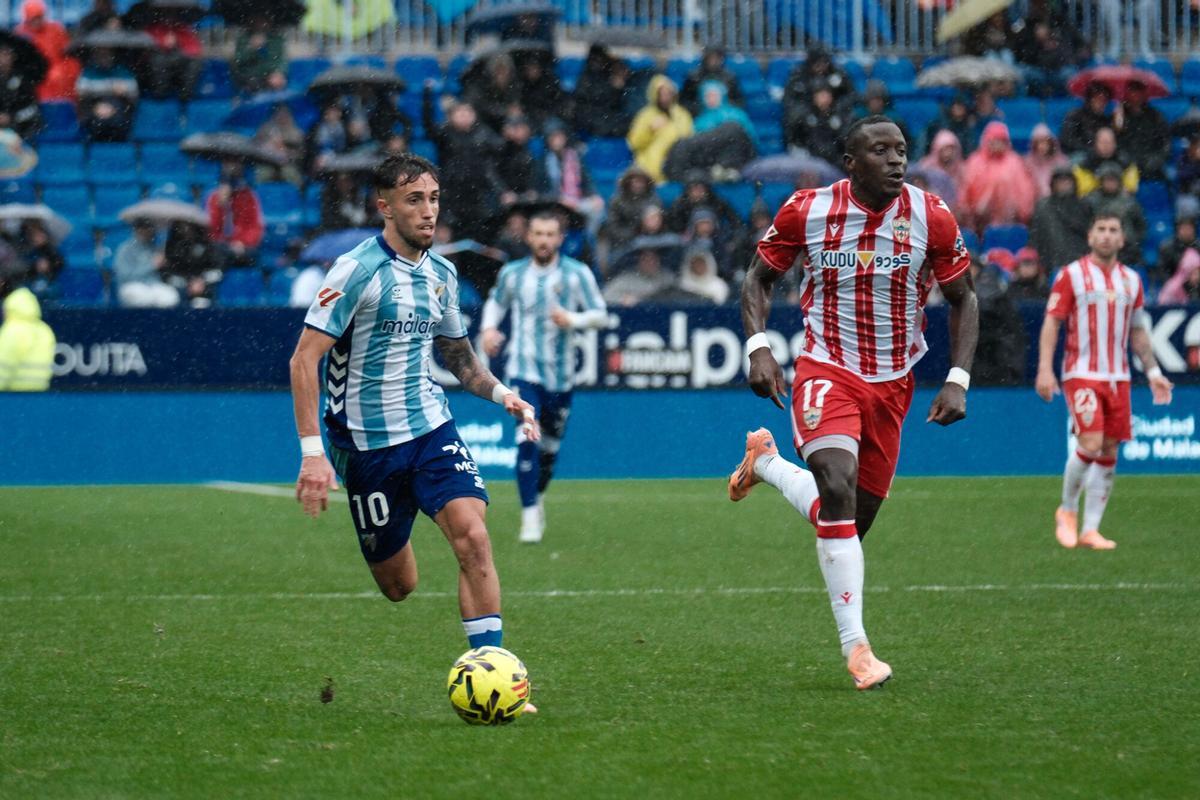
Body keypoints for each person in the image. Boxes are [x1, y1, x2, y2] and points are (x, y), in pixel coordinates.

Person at [730, 115, 979, 691]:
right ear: (851, 162)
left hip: (895, 381)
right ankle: (858, 650)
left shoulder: (930, 214)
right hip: (827, 368)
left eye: (901, 150)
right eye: (880, 150)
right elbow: (757, 279)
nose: (896, 160)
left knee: (840, 521)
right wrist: (760, 347)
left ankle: (764, 464)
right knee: (836, 484)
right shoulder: (807, 209)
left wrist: (959, 377)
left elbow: (965, 298)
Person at [289, 154, 541, 701]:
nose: (428, 212)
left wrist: (502, 395)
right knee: (399, 586)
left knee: (474, 537)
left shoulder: (443, 274)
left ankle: (491, 676)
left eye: (433, 200)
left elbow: (460, 358)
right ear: (384, 208)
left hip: (430, 427)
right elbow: (302, 359)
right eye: (413, 201)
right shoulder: (355, 271)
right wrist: (313, 453)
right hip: (366, 446)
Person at [1036, 213, 1174, 550]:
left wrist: (1154, 372)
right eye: (1101, 229)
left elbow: (1138, 330)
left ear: (1123, 240)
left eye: (1114, 230)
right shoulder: (1071, 276)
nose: (1107, 236)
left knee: (1110, 449)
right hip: (1081, 373)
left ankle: (1091, 529)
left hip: (1119, 376)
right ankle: (1067, 510)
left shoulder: (1132, 280)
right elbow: (1052, 322)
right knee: (1091, 443)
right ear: (1090, 236)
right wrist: (1044, 368)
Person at [479, 210, 607, 543]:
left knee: (549, 452)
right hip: (522, 372)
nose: (544, 240)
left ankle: (536, 500)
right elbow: (496, 302)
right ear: (529, 237)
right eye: (538, 233)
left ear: (560, 239)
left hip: (561, 376)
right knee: (527, 438)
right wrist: (489, 329)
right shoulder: (513, 273)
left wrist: (573, 320)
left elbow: (600, 314)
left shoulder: (577, 274)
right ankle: (529, 519)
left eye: (551, 234)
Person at [959, 121, 1036, 233]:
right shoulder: (974, 161)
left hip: (1011, 221)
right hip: (979, 223)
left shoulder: (1015, 162)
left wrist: (1022, 211)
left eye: (1001, 140)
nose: (997, 143)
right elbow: (965, 189)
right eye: (993, 140)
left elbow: (1025, 191)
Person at [0, 241, 55, 392]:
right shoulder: (44, 330)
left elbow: (3, 368)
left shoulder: (12, 330)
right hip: (38, 396)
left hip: (12, 398)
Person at [626, 75, 693, 183]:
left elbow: (689, 141)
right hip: (649, 171)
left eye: (667, 93)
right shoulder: (645, 115)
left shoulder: (682, 115)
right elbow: (634, 143)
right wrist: (649, 130)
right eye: (661, 94)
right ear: (654, 95)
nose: (664, 97)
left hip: (677, 168)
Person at [1029, 166, 1091, 274]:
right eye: (1060, 181)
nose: (1064, 185)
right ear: (1053, 184)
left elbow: (1089, 235)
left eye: (1067, 181)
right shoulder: (1042, 207)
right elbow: (1036, 237)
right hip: (1051, 264)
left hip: (1080, 263)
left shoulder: (1083, 206)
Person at [204, 159, 264, 268]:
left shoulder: (249, 197)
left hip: (243, 248)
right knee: (215, 252)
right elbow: (211, 230)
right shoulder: (213, 198)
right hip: (220, 247)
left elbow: (255, 227)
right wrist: (221, 206)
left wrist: (241, 242)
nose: (233, 167)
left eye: (236, 163)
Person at [112, 218, 180, 308]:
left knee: (171, 297)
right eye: (144, 228)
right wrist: (151, 265)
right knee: (143, 297)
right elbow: (124, 276)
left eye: (150, 228)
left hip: (153, 285)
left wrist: (163, 263)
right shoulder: (125, 249)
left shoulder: (154, 248)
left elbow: (161, 276)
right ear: (137, 229)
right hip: (130, 286)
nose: (148, 231)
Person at [680, 45, 744, 117]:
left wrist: (725, 110)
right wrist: (700, 109)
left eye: (717, 58)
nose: (713, 61)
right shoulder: (693, 77)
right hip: (700, 116)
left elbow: (739, 101)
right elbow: (685, 101)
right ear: (705, 59)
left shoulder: (730, 77)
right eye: (710, 58)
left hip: (725, 116)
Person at [1024, 124, 1068, 199]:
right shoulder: (1027, 163)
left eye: (1045, 142)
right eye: (1038, 143)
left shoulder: (1061, 161)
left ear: (1051, 143)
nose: (1041, 146)